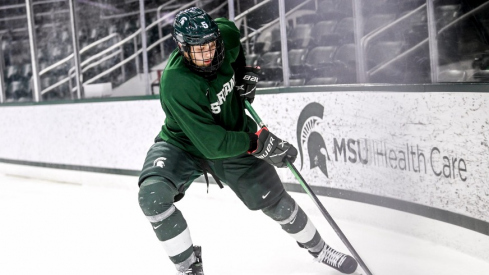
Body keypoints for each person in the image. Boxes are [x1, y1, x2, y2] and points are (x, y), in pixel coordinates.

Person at [137, 7, 358, 275]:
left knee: (278, 203)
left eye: (210, 45)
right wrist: (256, 143)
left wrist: (241, 72)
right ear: (182, 48)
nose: (207, 54)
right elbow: (213, 144)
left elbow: (231, 32)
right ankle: (188, 269)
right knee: (152, 197)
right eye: (198, 49)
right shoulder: (177, 82)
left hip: (232, 135)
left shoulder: (225, 36)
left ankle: (320, 250)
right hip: (183, 145)